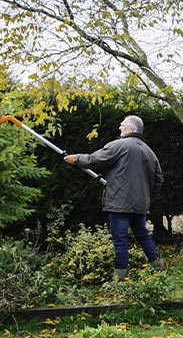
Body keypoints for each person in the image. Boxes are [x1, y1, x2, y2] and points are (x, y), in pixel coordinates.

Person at [64, 115, 164, 282]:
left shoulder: (119, 145)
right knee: (143, 236)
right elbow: (159, 180)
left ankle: (119, 279)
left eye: (122, 125)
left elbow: (94, 159)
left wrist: (76, 159)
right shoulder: (149, 152)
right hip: (140, 205)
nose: (119, 128)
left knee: (120, 240)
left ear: (131, 129)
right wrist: (145, 195)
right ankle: (160, 271)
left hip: (119, 204)